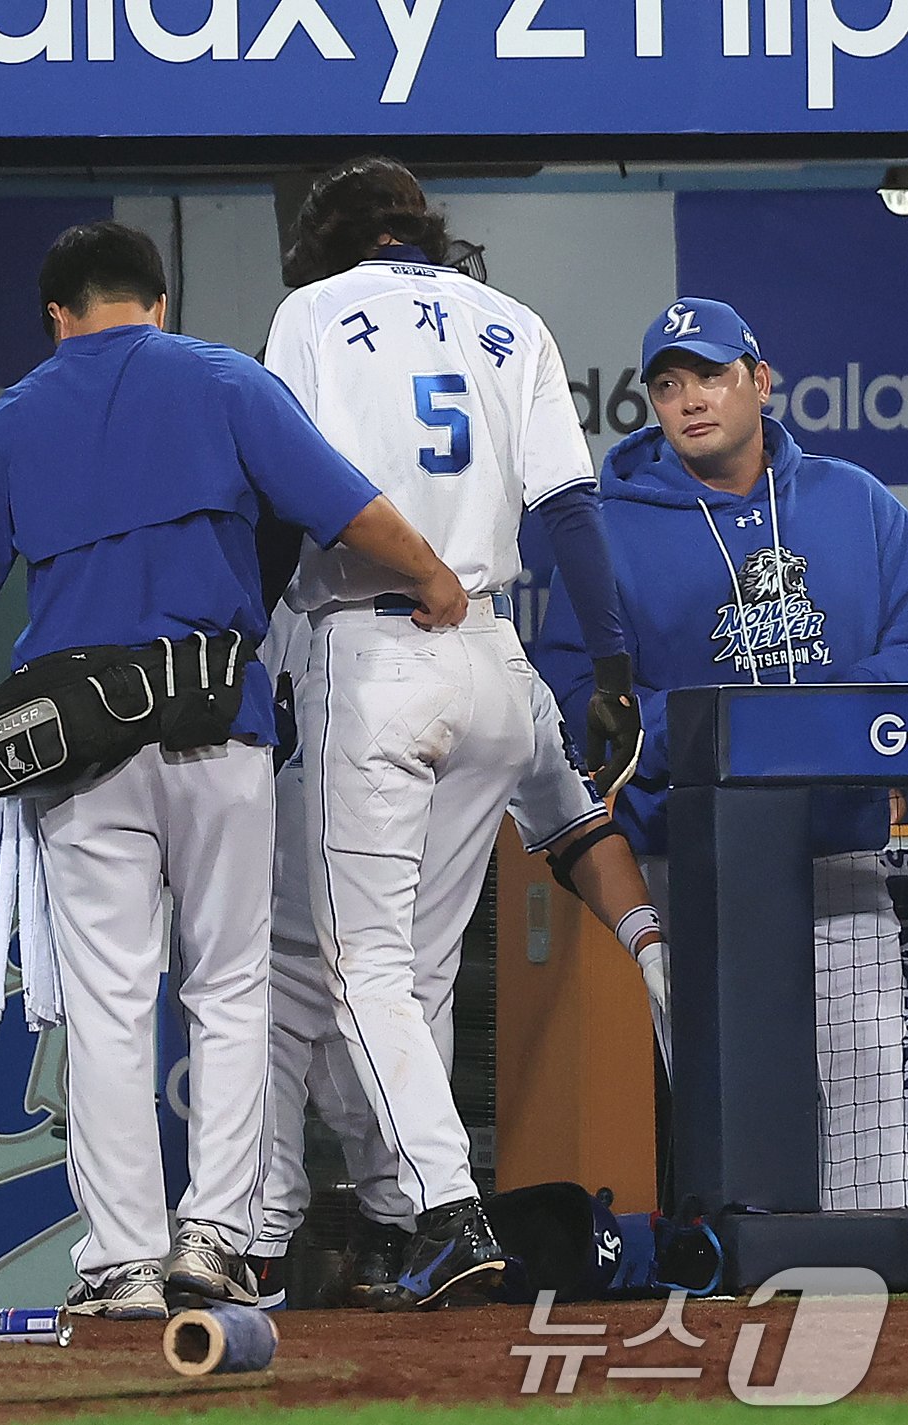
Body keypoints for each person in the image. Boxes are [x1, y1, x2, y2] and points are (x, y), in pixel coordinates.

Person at [0, 219, 470, 1321]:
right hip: (218, 726)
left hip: (81, 749)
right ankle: (213, 1240)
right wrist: (436, 575)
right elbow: (350, 510)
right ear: (157, 303)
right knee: (228, 990)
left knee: (113, 1005)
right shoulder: (224, 379)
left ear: (57, 316)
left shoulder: (19, 413)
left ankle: (121, 1260)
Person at [263, 156, 642, 1309]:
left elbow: (289, 492)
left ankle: (447, 1204)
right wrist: (612, 664)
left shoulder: (313, 311)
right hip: (488, 649)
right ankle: (396, 1224)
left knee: (358, 963)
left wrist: (237, 636)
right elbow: (567, 509)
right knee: (416, 971)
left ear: (329, 240)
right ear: (425, 236)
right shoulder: (511, 320)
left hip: (371, 646)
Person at [536, 296, 908, 1209]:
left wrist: (794, 725)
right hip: (692, 857)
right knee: (727, 1094)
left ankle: (877, 1301)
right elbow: (578, 694)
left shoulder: (852, 499)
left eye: (709, 374)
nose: (689, 397)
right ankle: (746, 1300)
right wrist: (712, 728)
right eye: (667, 384)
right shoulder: (605, 528)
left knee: (865, 1087)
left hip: (837, 848)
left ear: (759, 381)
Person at [247, 597, 671, 1309]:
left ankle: (401, 1264)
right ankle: (259, 1294)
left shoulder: (495, 669)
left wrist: (647, 942)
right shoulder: (275, 616)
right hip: (271, 974)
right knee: (259, 1220)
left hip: (400, 1008)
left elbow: (578, 825)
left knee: (397, 1222)